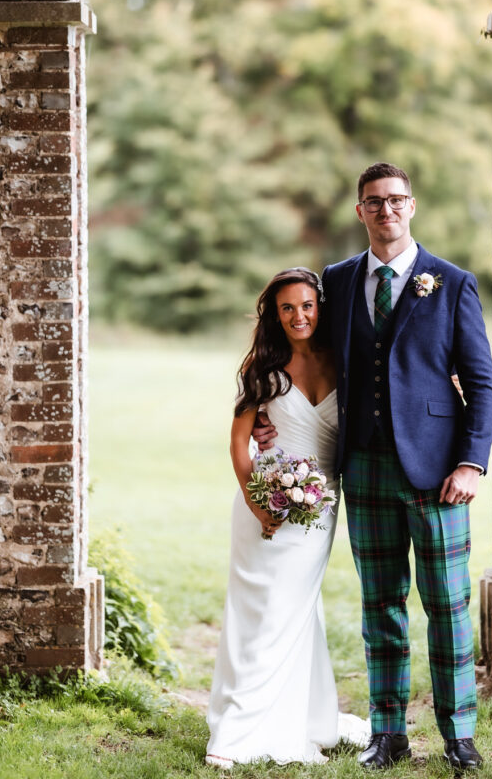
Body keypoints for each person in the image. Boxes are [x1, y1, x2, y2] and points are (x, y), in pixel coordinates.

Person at [254, 163, 492, 772]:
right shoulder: (335, 282)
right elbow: (302, 351)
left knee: (447, 605)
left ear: (411, 207)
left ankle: (459, 735)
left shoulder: (452, 282)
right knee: (379, 606)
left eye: (394, 200)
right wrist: (269, 410)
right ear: (360, 212)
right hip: (362, 467)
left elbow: (483, 382)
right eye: (373, 202)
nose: (385, 210)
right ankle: (387, 733)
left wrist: (471, 463)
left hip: (439, 472)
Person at [205, 267, 368, 768]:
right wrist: (260, 504)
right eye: (287, 308)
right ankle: (240, 726)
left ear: (321, 307)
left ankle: (302, 717)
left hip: (321, 507)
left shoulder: (343, 361)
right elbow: (238, 444)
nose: (299, 316)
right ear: (274, 315)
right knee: (263, 612)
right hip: (267, 503)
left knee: (297, 611)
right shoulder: (264, 367)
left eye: (307, 305)